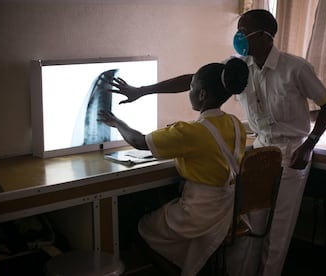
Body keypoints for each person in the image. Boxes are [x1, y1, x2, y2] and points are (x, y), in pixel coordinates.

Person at [104, 9, 326, 276]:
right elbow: (196, 80)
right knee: (254, 227)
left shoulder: (296, 68)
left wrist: (309, 145)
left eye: (244, 30)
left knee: (278, 232)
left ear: (264, 37)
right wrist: (142, 91)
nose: (239, 36)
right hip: (262, 151)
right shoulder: (240, 68)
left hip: (293, 152)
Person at [98, 58, 249, 276]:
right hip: (225, 211)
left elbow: (140, 142)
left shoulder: (190, 132)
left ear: (202, 95)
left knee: (139, 227)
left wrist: (116, 122)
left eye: (191, 86)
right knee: (162, 203)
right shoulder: (236, 124)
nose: (189, 90)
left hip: (198, 212)